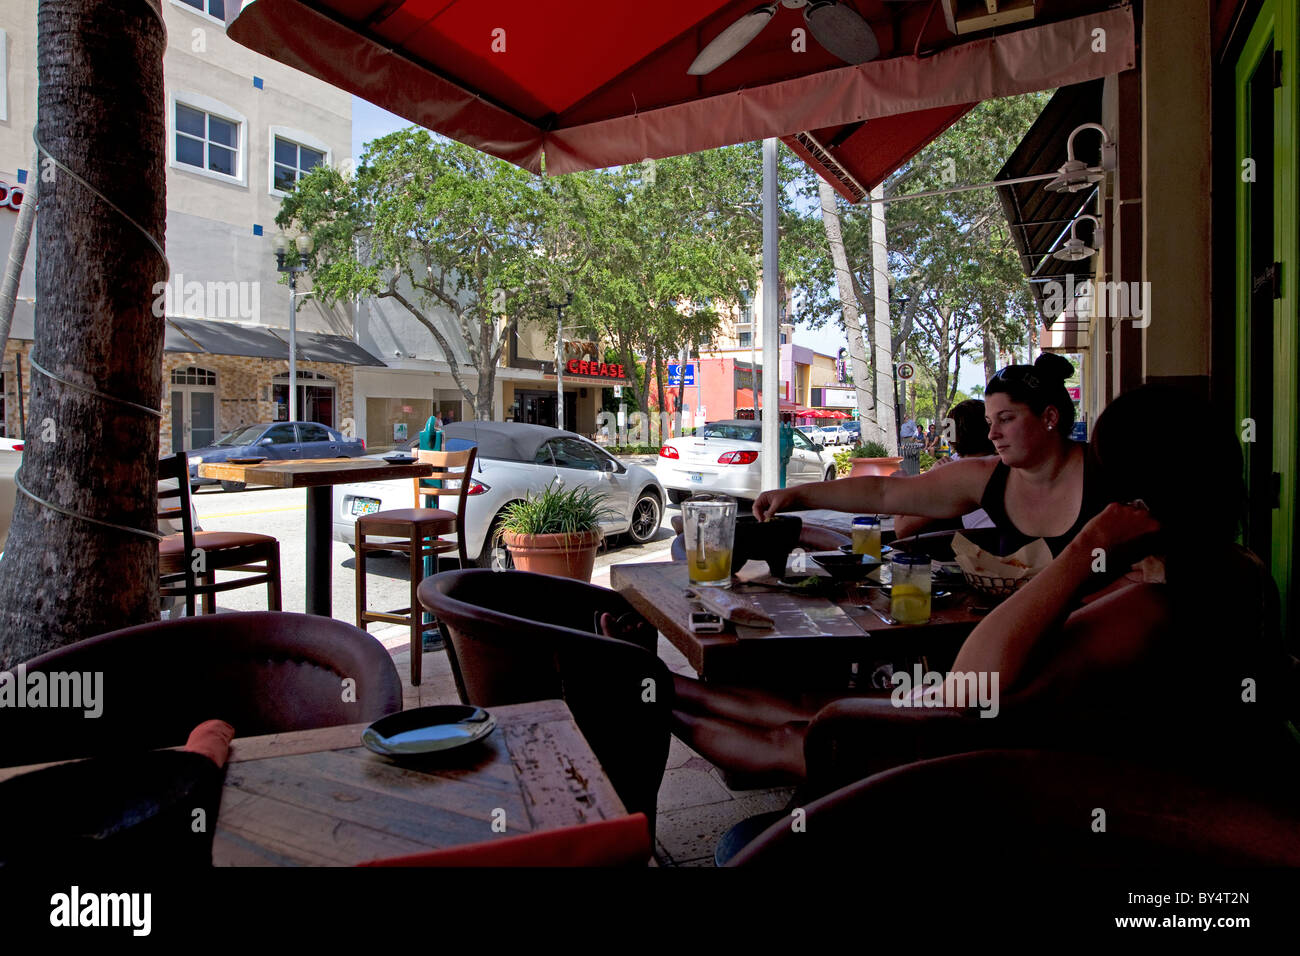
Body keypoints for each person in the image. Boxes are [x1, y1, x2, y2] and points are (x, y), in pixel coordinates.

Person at [644, 384, 1299, 782]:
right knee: (814, 708)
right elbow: (887, 492)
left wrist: (1087, 551)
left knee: (814, 727)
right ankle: (653, 689)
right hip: (1006, 735)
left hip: (993, 762)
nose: (992, 431)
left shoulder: (1155, 603)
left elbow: (977, 678)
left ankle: (646, 694)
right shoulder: (1234, 572)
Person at [756, 354, 1107, 559]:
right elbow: (884, 494)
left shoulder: (1109, 472)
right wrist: (796, 495)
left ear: (1049, 417)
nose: (992, 434)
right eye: (989, 422)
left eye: (1006, 419)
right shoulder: (987, 475)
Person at [893, 398, 996, 538]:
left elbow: (902, 528)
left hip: (986, 551)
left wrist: (900, 489)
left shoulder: (958, 472)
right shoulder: (1011, 464)